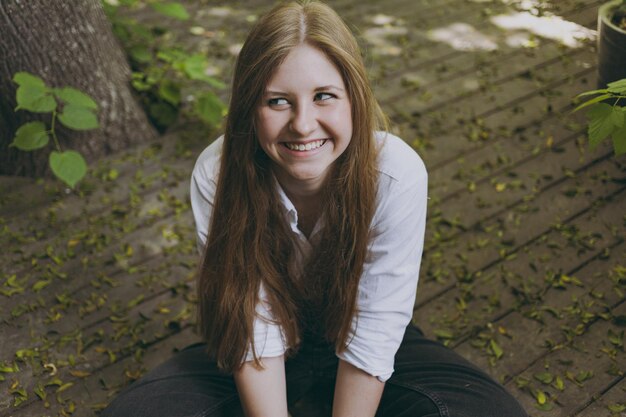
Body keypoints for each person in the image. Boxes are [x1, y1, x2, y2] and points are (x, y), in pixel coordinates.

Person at [102, 1, 528, 416]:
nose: (303, 124)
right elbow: (254, 328)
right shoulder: (217, 172)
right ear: (250, 108)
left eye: (324, 96)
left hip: (358, 331)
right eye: (277, 101)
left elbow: (375, 329)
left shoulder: (396, 173)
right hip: (258, 347)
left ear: (354, 100)